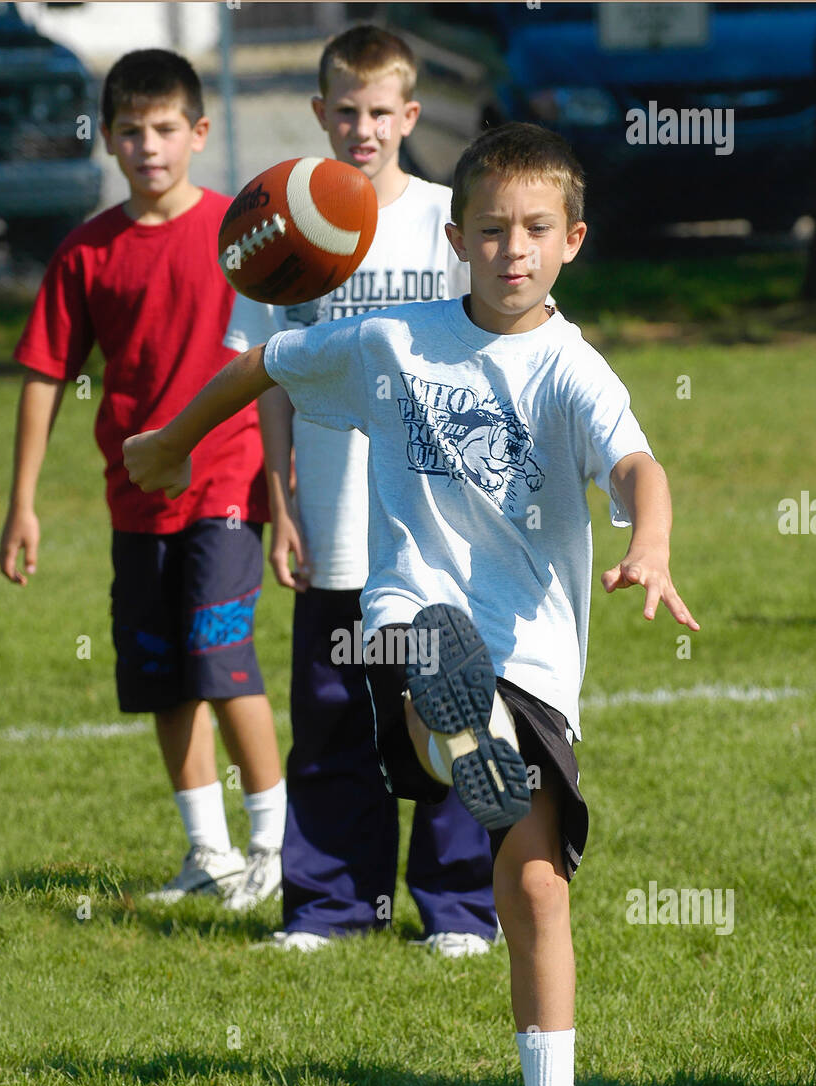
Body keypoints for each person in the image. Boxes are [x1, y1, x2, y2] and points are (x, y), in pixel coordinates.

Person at [123, 122, 699, 1086]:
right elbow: (266, 363)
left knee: (533, 889)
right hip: (411, 624)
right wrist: (174, 440)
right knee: (428, 651)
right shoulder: (393, 339)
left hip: (533, 657)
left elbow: (636, 464)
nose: (511, 250)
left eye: (535, 230)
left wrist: (655, 540)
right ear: (455, 238)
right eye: (490, 231)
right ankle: (451, 725)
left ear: (570, 241)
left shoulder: (571, 366)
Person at [228, 25, 498, 956]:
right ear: (319, 113)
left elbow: (500, 347)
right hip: (335, 518)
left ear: (410, 115)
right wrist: (280, 498)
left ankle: (460, 908)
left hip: (435, 526)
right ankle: (330, 905)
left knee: (448, 709)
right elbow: (264, 370)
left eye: (380, 111)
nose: (362, 127)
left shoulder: (448, 221)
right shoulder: (285, 223)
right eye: (344, 110)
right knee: (335, 711)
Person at [0, 49, 286, 913]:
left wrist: (290, 488)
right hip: (136, 500)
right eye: (130, 131)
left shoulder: (239, 234)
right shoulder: (87, 252)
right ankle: (209, 850)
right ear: (108, 142)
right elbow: (46, 373)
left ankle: (274, 842)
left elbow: (277, 358)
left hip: (227, 484)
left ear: (199, 133)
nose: (148, 147)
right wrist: (21, 502)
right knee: (163, 674)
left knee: (218, 655)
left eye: (165, 129)